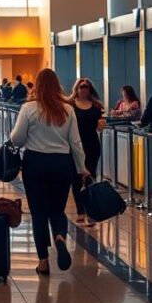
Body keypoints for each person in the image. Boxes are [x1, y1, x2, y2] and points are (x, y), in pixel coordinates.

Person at [11, 69, 88, 275]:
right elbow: (76, 142)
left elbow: (17, 139)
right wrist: (81, 167)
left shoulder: (29, 108)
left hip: (35, 162)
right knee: (57, 209)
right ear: (57, 85)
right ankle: (60, 237)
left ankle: (43, 261)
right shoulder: (67, 109)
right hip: (62, 164)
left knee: (38, 213)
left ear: (37, 85)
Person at [67, 77, 104, 228]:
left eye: (86, 87)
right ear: (76, 88)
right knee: (76, 178)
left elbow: (100, 125)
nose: (84, 89)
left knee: (90, 177)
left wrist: (101, 125)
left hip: (92, 145)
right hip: (75, 145)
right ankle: (81, 212)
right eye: (81, 86)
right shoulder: (70, 105)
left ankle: (91, 212)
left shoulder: (96, 106)